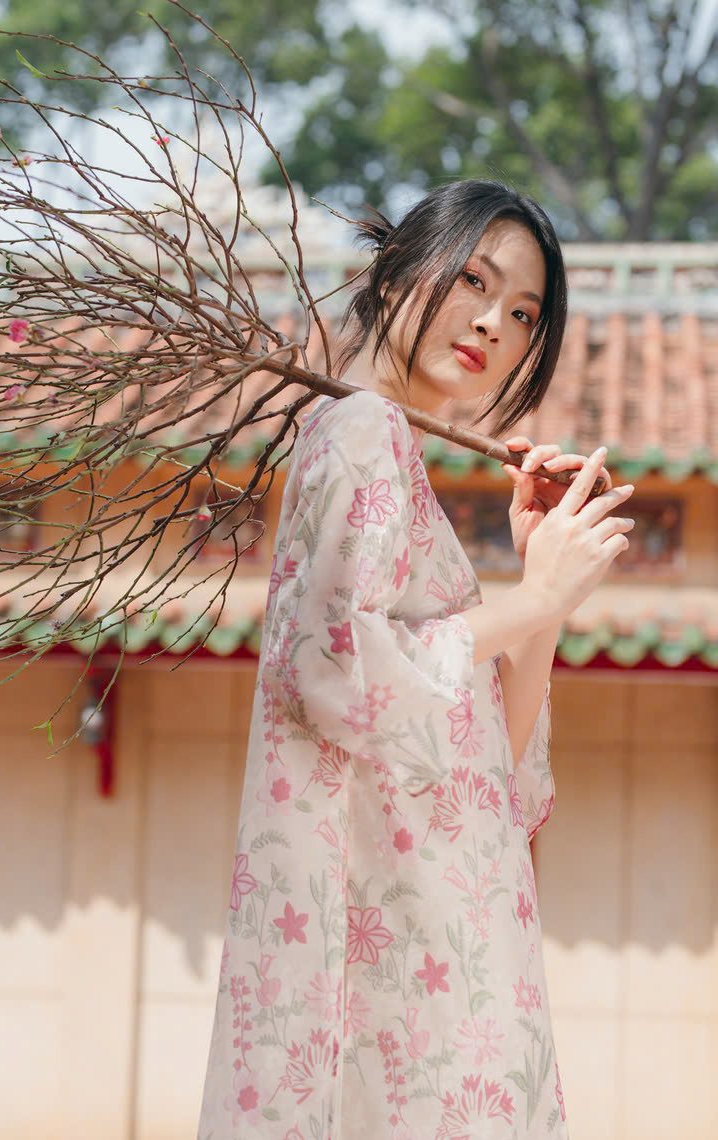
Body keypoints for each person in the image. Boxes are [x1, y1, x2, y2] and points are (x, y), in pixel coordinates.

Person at [196, 180, 635, 1140]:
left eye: (524, 313)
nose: (492, 322)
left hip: (447, 949)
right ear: (400, 269)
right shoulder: (363, 430)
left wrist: (537, 600)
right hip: (396, 977)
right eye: (474, 278)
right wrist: (533, 600)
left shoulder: (391, 453)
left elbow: (491, 769)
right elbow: (341, 672)